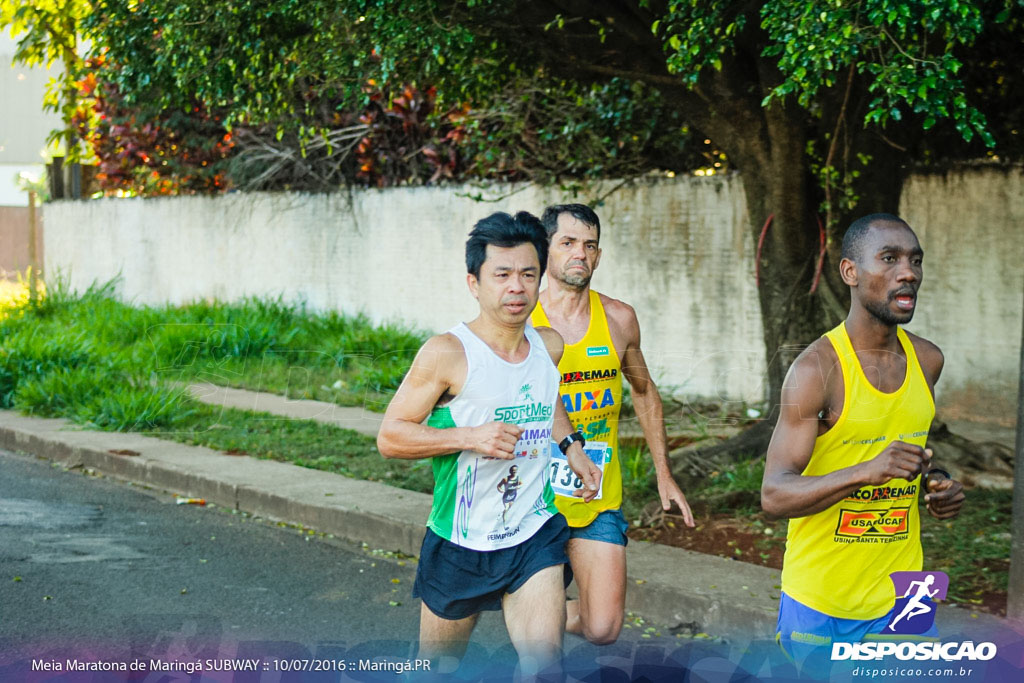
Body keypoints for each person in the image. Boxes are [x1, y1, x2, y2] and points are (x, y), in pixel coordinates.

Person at [376, 210, 602, 675]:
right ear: (474, 283)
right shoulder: (447, 353)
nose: (515, 287)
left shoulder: (549, 346)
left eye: (527, 274)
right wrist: (468, 436)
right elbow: (391, 436)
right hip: (461, 542)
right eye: (501, 275)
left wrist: (572, 449)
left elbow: (547, 397)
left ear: (541, 282)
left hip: (533, 531)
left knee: (545, 667)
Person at [760, 213, 966, 660]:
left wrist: (938, 483)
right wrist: (867, 472)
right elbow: (774, 495)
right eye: (888, 259)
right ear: (850, 272)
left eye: (915, 260)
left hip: (905, 598)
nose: (908, 272)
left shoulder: (928, 360)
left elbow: (906, 454)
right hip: (821, 603)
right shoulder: (817, 370)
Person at [529, 204, 694, 645]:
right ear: (545, 251)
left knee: (603, 628)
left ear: (598, 256)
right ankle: (529, 614)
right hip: (531, 502)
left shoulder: (619, 319)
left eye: (589, 245)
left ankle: (529, 611)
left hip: (597, 498)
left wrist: (664, 473)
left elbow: (643, 392)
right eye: (566, 243)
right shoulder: (521, 321)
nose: (579, 253)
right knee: (539, 647)